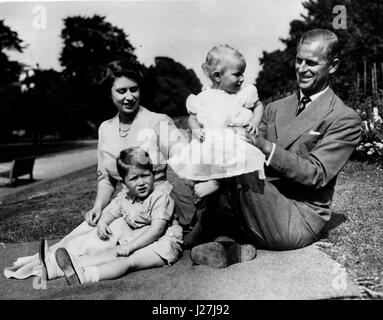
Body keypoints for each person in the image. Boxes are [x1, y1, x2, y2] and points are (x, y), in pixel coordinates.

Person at [4, 60, 191, 280]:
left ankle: (63, 270)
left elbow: (188, 159)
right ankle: (50, 263)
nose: (129, 96)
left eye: (134, 89)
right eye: (121, 91)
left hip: (151, 211)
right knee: (83, 235)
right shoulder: (106, 129)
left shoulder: (157, 122)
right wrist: (98, 207)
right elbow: (106, 178)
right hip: (124, 204)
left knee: (96, 244)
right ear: (110, 93)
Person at [190, 29, 362, 267]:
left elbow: (316, 174)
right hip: (260, 197)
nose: (301, 68)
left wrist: (263, 146)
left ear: (332, 66)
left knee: (236, 161)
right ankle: (228, 243)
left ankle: (214, 233)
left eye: (311, 63)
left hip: (298, 215)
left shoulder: (344, 118)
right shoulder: (275, 108)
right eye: (299, 60)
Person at [52, 147, 182, 285]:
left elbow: (158, 230)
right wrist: (103, 222)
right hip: (140, 241)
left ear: (153, 174)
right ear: (124, 183)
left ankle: (85, 276)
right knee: (112, 252)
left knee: (126, 260)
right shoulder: (127, 197)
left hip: (163, 245)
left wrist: (131, 246)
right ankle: (68, 267)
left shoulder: (159, 197)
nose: (141, 182)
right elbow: (112, 212)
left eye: (145, 175)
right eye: (134, 178)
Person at [168, 44, 265, 200]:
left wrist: (255, 121)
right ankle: (203, 184)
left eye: (243, 74)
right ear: (218, 76)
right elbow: (192, 119)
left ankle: (216, 183)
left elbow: (258, 105)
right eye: (237, 74)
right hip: (211, 139)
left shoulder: (243, 93)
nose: (242, 79)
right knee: (201, 161)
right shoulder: (203, 98)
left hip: (236, 139)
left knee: (233, 164)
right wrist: (195, 130)